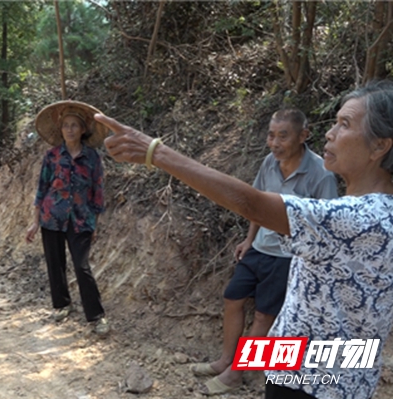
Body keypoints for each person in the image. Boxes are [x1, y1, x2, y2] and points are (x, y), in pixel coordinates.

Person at [95, 79, 393, 399]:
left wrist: (156, 152)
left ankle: (235, 371)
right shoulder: (381, 214)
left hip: (310, 386)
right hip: (341, 376)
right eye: (334, 122)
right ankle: (232, 363)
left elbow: (251, 203)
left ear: (379, 146)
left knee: (265, 314)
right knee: (238, 301)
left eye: (344, 124)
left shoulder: (357, 217)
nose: (331, 133)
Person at [190, 108, 338, 395]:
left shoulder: (321, 174)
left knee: (263, 315)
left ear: (303, 136)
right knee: (232, 297)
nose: (275, 143)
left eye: (283, 136)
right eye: (271, 135)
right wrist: (249, 240)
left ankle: (237, 374)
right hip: (259, 249)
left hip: (289, 258)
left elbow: (327, 225)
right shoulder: (269, 163)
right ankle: (225, 361)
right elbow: (256, 205)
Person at [25, 100, 110, 336]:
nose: (70, 129)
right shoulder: (52, 156)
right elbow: (42, 189)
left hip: (81, 219)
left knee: (82, 266)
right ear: (60, 129)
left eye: (74, 125)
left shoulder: (92, 158)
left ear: (83, 130)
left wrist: (95, 223)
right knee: (55, 263)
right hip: (51, 217)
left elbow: (98, 192)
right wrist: (34, 221)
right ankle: (62, 304)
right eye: (66, 125)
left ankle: (96, 316)